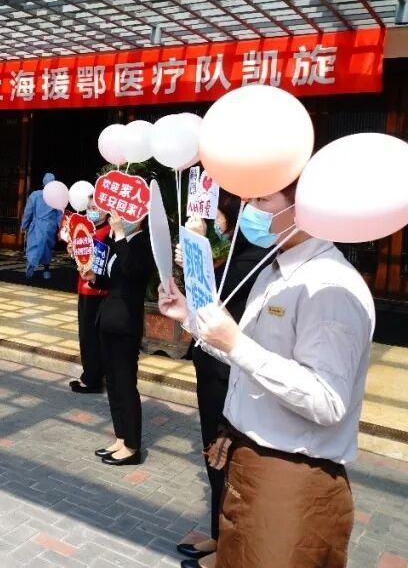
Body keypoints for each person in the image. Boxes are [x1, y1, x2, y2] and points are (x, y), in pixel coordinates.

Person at [159, 182, 373, 568]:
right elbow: (243, 353)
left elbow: (327, 400)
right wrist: (190, 315)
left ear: (304, 207)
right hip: (248, 462)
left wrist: (237, 344)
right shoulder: (274, 270)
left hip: (291, 474)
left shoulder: (330, 289)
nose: (249, 209)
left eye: (262, 200)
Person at [174, 192, 266, 566]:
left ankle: (229, 546)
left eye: (221, 214)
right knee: (215, 455)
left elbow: (217, 311)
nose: (218, 222)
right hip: (213, 370)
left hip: (228, 373)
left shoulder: (254, 261)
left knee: (225, 458)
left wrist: (198, 258)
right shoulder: (235, 255)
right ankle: (218, 535)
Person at [81, 213, 154, 466]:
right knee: (112, 384)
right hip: (108, 319)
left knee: (125, 384)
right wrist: (94, 277)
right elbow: (112, 279)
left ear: (139, 217)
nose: (118, 219)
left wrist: (121, 236)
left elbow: (133, 273)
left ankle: (132, 446)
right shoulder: (116, 242)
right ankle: (121, 438)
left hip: (126, 323)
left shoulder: (142, 243)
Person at [69, 206, 111, 393]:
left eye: (96, 208)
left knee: (91, 337)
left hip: (97, 292)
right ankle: (91, 375)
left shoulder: (108, 232)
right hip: (85, 288)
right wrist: (73, 252)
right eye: (90, 207)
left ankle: (92, 379)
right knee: (87, 336)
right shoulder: (88, 229)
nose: (93, 211)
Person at [21, 172, 63, 280]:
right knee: (47, 248)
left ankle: (31, 262)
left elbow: (28, 211)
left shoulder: (35, 195)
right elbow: (59, 215)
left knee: (33, 245)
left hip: (36, 225)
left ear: (43, 183)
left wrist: (24, 225)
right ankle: (46, 270)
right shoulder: (56, 197)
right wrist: (61, 228)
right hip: (50, 226)